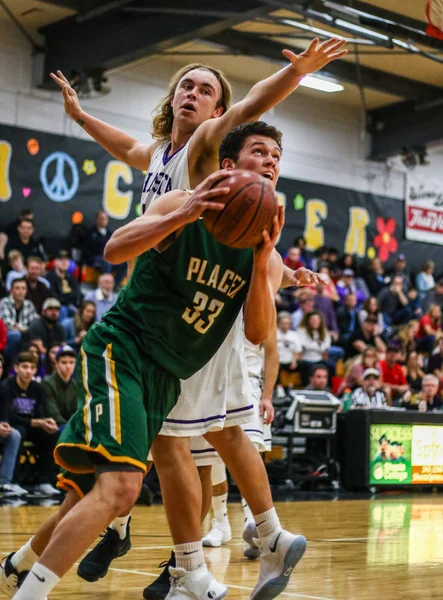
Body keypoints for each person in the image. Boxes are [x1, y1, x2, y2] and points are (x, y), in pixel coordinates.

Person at [1, 126, 288, 600]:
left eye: (278, 155)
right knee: (120, 490)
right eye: (260, 151)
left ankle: (18, 568)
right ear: (228, 166)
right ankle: (32, 593)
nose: (272, 161)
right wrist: (189, 211)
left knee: (88, 493)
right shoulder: (181, 201)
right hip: (124, 351)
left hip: (166, 378)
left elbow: (259, 334)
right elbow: (114, 250)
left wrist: (260, 266)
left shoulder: (263, 250)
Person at [201, 323, 278, 556]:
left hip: (250, 384)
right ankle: (221, 524)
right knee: (211, 457)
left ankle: (252, 523)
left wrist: (268, 396)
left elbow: (273, 353)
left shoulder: (261, 299)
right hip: (214, 383)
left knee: (249, 454)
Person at [0, 352, 59, 496]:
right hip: (16, 425)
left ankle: (44, 481)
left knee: (51, 434)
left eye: (32, 367)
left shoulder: (37, 388)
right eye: (25, 367)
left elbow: (39, 414)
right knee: (19, 432)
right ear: (16, 368)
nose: (28, 371)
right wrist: (35, 422)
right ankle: (13, 482)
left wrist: (46, 422)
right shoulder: (7, 387)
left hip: (30, 425)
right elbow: (9, 417)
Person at [0, 355, 27, 497]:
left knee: (15, 434)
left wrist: (4, 424)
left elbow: (5, 412)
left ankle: (4, 483)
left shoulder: (3, 387)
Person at [0, 278, 38, 362]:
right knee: (15, 335)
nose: (21, 291)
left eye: (23, 288)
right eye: (17, 288)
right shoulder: (4, 302)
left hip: (25, 335)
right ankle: (13, 362)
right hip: (7, 337)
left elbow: (34, 324)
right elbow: (6, 324)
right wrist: (24, 329)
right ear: (11, 290)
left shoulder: (29, 304)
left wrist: (22, 329)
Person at [86, 211, 127, 287]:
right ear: (97, 220)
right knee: (106, 262)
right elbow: (88, 248)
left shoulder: (109, 233)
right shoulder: (91, 232)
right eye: (101, 219)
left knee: (123, 263)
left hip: (108, 257)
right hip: (95, 258)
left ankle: (114, 286)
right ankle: (104, 286)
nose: (103, 221)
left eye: (105, 219)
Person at [41, 345, 76, 431]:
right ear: (56, 364)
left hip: (68, 425)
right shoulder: (47, 383)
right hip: (53, 426)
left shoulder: (75, 385)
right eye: (64, 362)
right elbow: (53, 414)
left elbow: (77, 412)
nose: (68, 366)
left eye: (71, 362)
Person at [297, 311, 331, 386]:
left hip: (319, 358)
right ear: (308, 321)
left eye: (317, 320)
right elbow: (302, 347)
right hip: (306, 358)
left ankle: (328, 388)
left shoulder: (324, 332)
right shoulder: (302, 331)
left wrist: (314, 347)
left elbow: (325, 349)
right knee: (306, 366)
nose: (315, 322)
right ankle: (306, 386)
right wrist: (317, 346)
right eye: (313, 320)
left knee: (330, 366)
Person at [45, 250, 82, 318]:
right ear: (55, 262)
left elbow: (78, 293)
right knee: (63, 309)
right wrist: (68, 303)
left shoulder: (71, 277)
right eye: (61, 259)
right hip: (60, 306)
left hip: (73, 306)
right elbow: (53, 294)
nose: (64, 262)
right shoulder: (50, 276)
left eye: (66, 259)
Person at [276, 311, 301, 395]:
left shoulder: (294, 335)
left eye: (287, 323)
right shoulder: (274, 333)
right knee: (275, 366)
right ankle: (279, 388)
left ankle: (303, 389)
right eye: (283, 323)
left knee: (306, 366)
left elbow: (297, 351)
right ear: (278, 323)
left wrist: (294, 361)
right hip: (277, 361)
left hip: (290, 361)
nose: (285, 325)